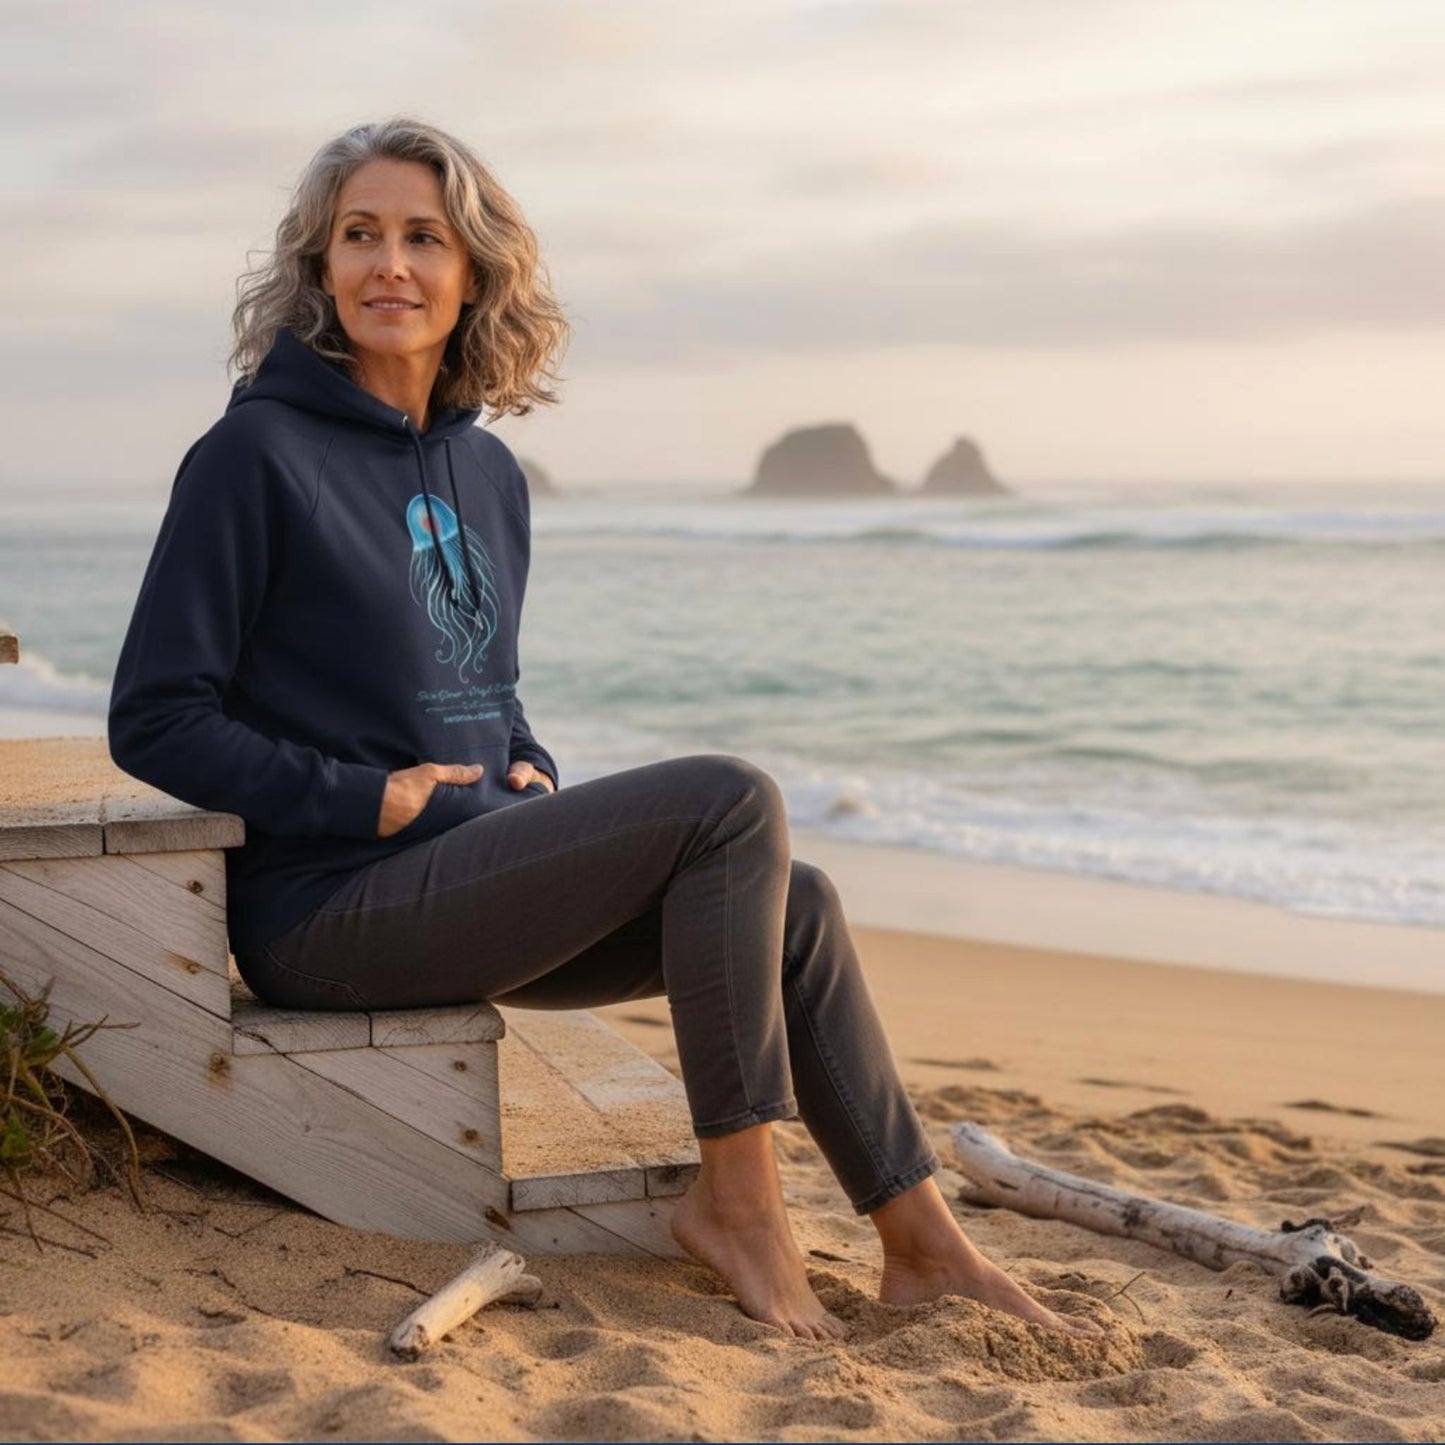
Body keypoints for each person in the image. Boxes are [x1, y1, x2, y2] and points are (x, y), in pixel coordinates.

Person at [108, 117, 1103, 1344]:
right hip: (326, 910)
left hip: (460, 865)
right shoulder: (252, 454)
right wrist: (361, 798)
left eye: (423, 237)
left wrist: (528, 757)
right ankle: (738, 1202)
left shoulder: (487, 474)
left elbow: (477, 677)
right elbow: (155, 715)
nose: (389, 266)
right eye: (356, 236)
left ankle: (921, 1241)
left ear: (473, 272)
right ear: (316, 268)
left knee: (796, 902)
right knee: (729, 798)